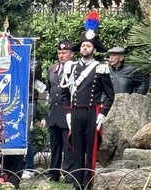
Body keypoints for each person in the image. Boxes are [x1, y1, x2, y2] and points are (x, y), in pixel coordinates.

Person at [61, 15, 115, 190]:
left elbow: (110, 95)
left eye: (88, 45)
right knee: (76, 149)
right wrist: (68, 113)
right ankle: (77, 183)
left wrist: (102, 114)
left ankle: (88, 183)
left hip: (92, 112)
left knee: (90, 150)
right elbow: (64, 94)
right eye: (83, 45)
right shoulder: (71, 67)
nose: (85, 48)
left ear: (94, 49)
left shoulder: (101, 67)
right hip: (76, 112)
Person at [46, 39, 74, 182]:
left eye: (64, 53)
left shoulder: (75, 69)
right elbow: (50, 90)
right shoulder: (52, 69)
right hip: (54, 112)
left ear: (71, 54)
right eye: (59, 53)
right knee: (54, 145)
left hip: (67, 112)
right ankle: (54, 173)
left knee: (68, 145)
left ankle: (69, 173)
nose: (61, 56)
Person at [22, 59, 44, 180]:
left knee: (27, 135)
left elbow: (31, 75)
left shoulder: (34, 62)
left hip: (29, 101)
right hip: (17, 99)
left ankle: (29, 167)